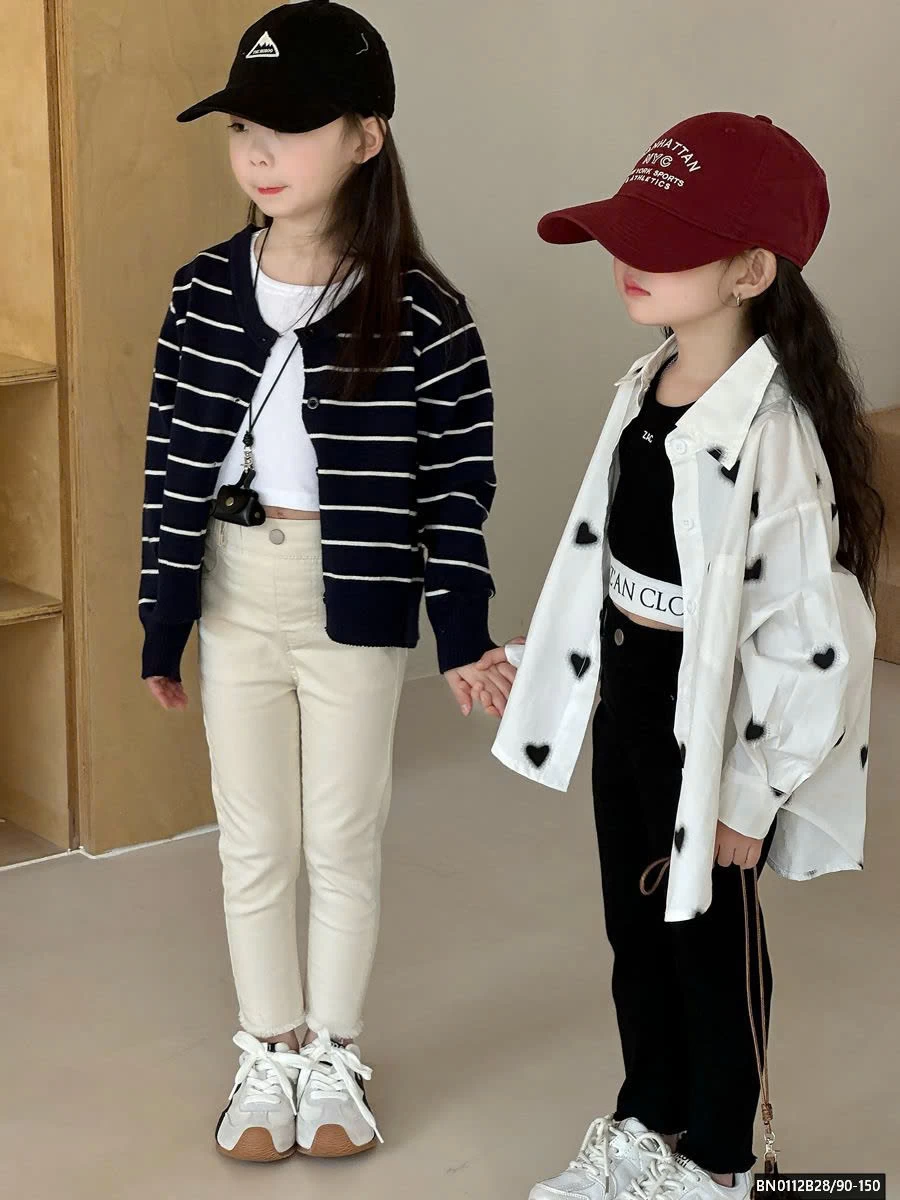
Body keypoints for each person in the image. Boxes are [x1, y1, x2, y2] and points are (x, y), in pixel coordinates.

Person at [479, 112, 882, 1200]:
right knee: (636, 927)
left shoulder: (773, 433)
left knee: (705, 941)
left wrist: (753, 791)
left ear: (751, 271)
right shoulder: (647, 385)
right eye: (627, 233)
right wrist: (548, 654)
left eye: (665, 242)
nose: (629, 259)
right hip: (632, 704)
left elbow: (819, 638)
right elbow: (608, 554)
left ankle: (722, 1159)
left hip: (707, 725)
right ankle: (648, 1120)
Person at [139, 0, 509, 1164]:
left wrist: (463, 632)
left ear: (365, 137)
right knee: (253, 842)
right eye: (242, 128)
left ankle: (334, 1053)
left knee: (343, 837)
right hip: (233, 591)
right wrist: (161, 620)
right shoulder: (202, 291)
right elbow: (167, 462)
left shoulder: (425, 313)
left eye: (290, 129)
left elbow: (457, 484)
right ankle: (269, 1049)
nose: (259, 154)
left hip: (355, 599)